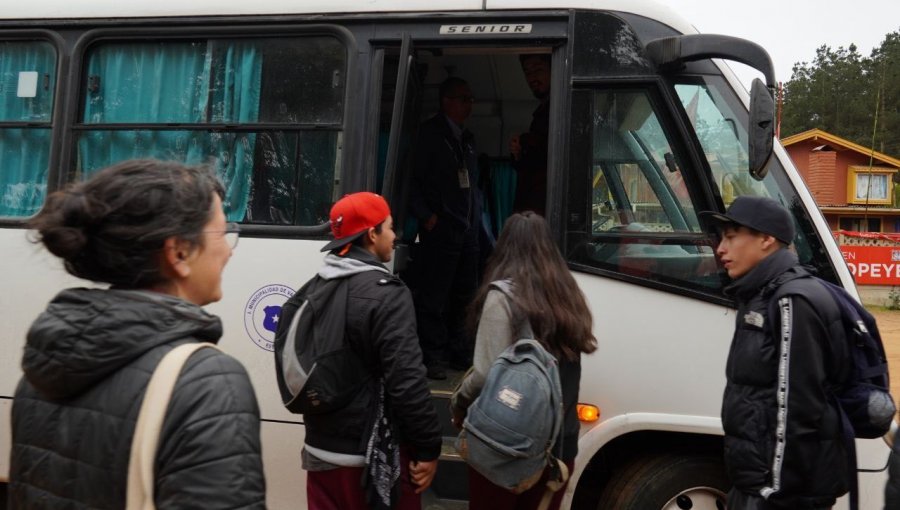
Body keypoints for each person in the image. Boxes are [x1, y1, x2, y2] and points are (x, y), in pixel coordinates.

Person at [8, 159, 265, 509]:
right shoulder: (206, 380)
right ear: (178, 252)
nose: (229, 250)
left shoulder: (43, 364)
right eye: (222, 234)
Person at [701, 196, 851, 510]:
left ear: (767, 240)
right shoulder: (759, 295)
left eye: (731, 236)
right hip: (759, 483)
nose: (720, 249)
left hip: (780, 493)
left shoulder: (791, 300)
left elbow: (797, 407)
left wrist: (776, 494)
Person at [301, 192, 442, 510]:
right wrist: (428, 448)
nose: (395, 236)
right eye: (390, 227)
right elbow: (407, 382)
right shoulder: (388, 295)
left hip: (319, 452)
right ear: (371, 234)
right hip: (367, 461)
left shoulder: (313, 288)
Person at [449, 211, 597, 510]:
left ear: (504, 247)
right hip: (560, 445)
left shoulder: (502, 297)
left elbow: (483, 375)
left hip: (508, 446)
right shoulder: (569, 294)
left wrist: (459, 404)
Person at [409, 76, 481, 379]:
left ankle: (458, 353)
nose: (469, 105)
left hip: (466, 230)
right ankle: (433, 357)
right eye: (463, 98)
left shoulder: (467, 139)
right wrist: (427, 216)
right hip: (440, 228)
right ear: (446, 102)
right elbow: (411, 180)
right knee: (434, 297)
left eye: (470, 99)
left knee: (464, 296)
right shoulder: (429, 135)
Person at [510, 53, 551, 216]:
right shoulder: (542, 112)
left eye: (538, 70)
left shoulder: (558, 110)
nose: (532, 77)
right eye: (527, 73)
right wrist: (519, 153)